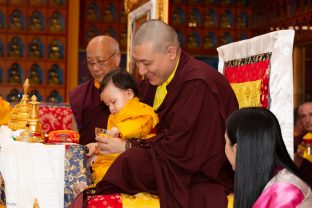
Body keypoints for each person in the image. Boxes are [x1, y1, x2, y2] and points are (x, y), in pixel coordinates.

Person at [92, 20, 238, 207]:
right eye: (138, 64)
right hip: (169, 154)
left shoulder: (197, 84)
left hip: (199, 170)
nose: (142, 72)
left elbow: (182, 148)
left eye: (146, 63)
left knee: (130, 161)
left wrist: (126, 146)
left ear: (171, 53)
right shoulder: (156, 80)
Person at [225, 107, 312, 208]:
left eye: (226, 141)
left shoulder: (284, 193)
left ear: (237, 149)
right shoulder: (273, 181)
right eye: (303, 116)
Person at [86, 69, 158, 185]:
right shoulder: (114, 116)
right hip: (118, 154)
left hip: (139, 157)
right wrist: (98, 147)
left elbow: (141, 125)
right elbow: (111, 141)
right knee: (101, 166)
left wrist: (120, 128)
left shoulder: (140, 109)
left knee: (113, 169)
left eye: (113, 102)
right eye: (107, 105)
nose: (111, 108)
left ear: (129, 94)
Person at [69, 35, 121, 145]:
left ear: (117, 58)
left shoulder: (134, 90)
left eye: (101, 61)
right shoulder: (79, 95)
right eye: (90, 62)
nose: (95, 68)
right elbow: (74, 139)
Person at [295, 101, 312, 187]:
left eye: (311, 114)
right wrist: (298, 157)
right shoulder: (297, 141)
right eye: (303, 116)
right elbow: (290, 171)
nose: (307, 120)